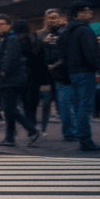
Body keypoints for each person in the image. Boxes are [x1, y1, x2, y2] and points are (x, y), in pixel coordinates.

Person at [59, 1, 100, 152]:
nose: (89, 13)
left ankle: (82, 136)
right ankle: (86, 140)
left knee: (78, 106)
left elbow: (62, 52)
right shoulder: (84, 30)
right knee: (85, 107)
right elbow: (91, 52)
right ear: (78, 14)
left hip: (73, 73)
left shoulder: (67, 30)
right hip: (85, 72)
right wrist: (98, 65)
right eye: (86, 10)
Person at [0, 16, 41, 147]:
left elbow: (11, 59)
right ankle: (10, 137)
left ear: (9, 25)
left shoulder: (12, 39)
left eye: (2, 24)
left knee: (10, 110)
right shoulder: (7, 39)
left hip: (10, 80)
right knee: (10, 110)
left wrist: (3, 73)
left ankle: (32, 131)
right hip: (8, 80)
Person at [37, 8, 73, 139]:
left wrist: (58, 63)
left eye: (55, 17)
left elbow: (67, 51)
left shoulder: (65, 32)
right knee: (46, 102)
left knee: (63, 103)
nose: (53, 20)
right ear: (46, 19)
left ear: (60, 18)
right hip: (46, 74)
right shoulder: (40, 34)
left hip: (61, 72)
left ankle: (68, 131)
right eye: (50, 17)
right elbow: (38, 53)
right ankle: (42, 129)